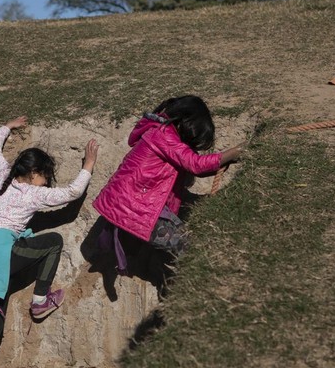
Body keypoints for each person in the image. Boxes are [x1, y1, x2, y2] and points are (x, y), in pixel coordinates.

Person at [0, 117, 98, 368]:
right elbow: (72, 193)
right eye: (45, 176)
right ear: (35, 173)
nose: (46, 181)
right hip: (1, 250)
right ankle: (40, 301)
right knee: (53, 242)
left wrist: (6, 128)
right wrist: (87, 167)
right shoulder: (32, 194)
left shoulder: (3, 176)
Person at [92, 96, 243, 270]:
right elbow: (195, 164)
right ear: (185, 123)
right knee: (189, 245)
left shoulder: (160, 132)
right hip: (138, 207)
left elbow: (195, 166)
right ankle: (202, 278)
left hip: (136, 204)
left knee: (186, 243)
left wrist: (226, 160)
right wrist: (236, 151)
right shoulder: (163, 135)